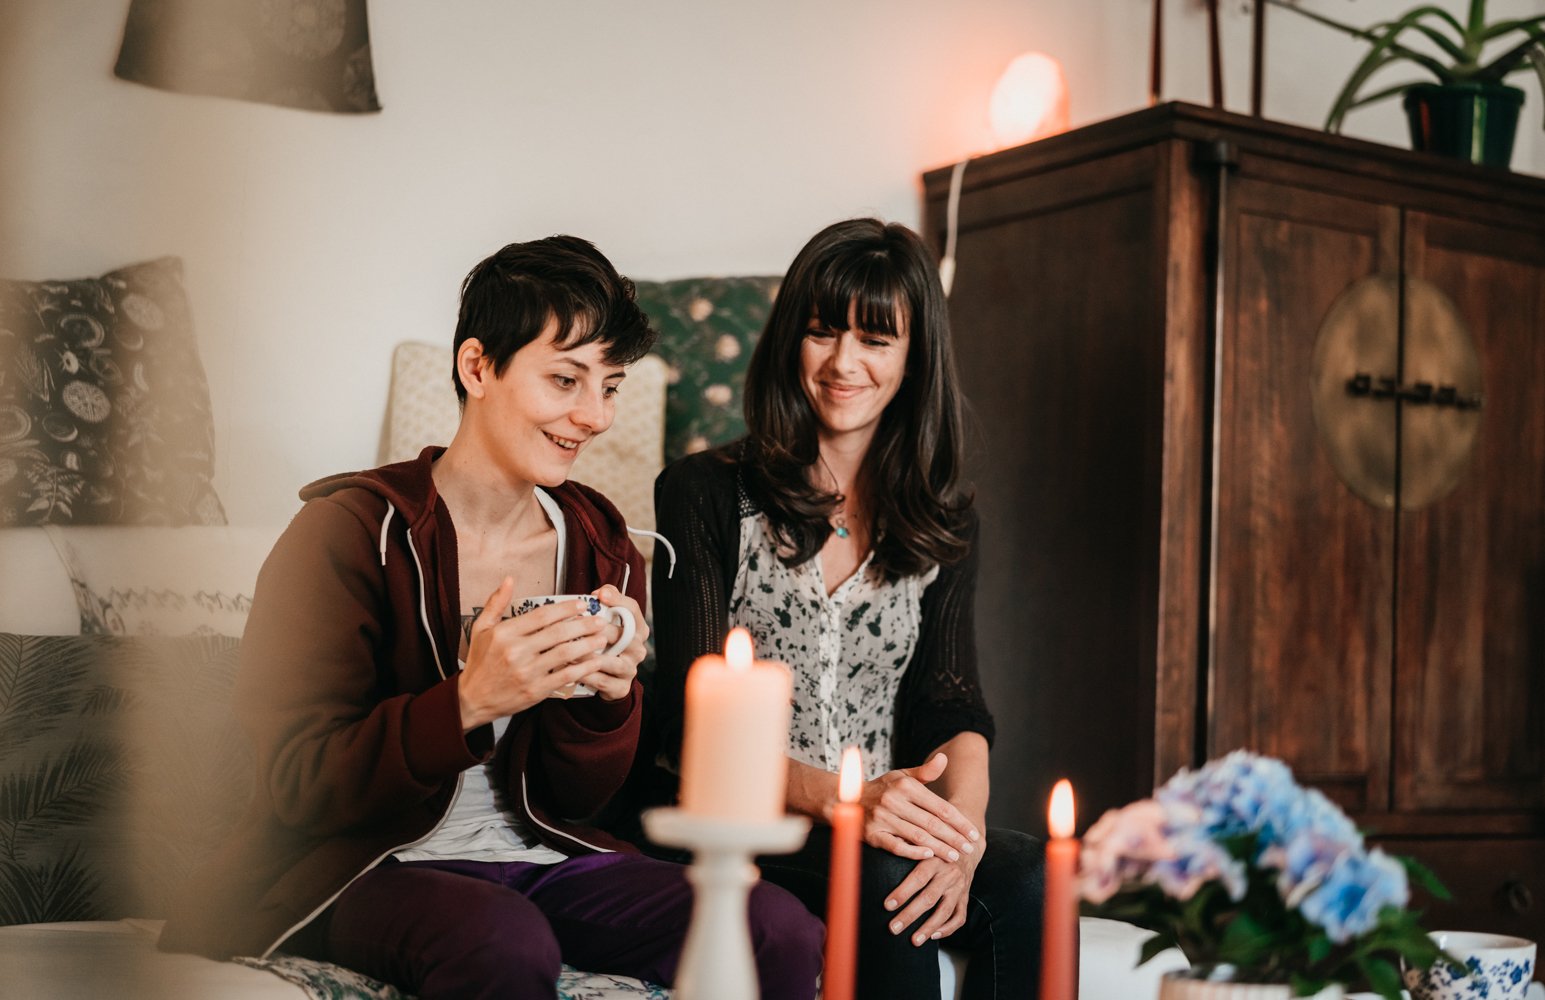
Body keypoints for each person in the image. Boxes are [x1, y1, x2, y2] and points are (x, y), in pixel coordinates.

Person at [159, 236, 824, 1000]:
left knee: (775, 925)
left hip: (544, 856)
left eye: (609, 386)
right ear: (477, 367)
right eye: (565, 379)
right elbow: (295, 783)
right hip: (365, 866)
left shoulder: (600, 542)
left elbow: (576, 803)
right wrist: (468, 702)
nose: (593, 416)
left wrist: (609, 704)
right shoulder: (349, 533)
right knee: (501, 940)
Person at [646, 218, 1044, 999]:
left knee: (1029, 873)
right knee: (882, 870)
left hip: (874, 826)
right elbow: (686, 727)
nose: (842, 363)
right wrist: (844, 799)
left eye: (875, 339)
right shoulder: (702, 492)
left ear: (914, 356)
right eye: (821, 332)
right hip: (745, 822)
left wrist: (960, 834)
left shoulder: (944, 520)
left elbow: (950, 703)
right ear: (788, 341)